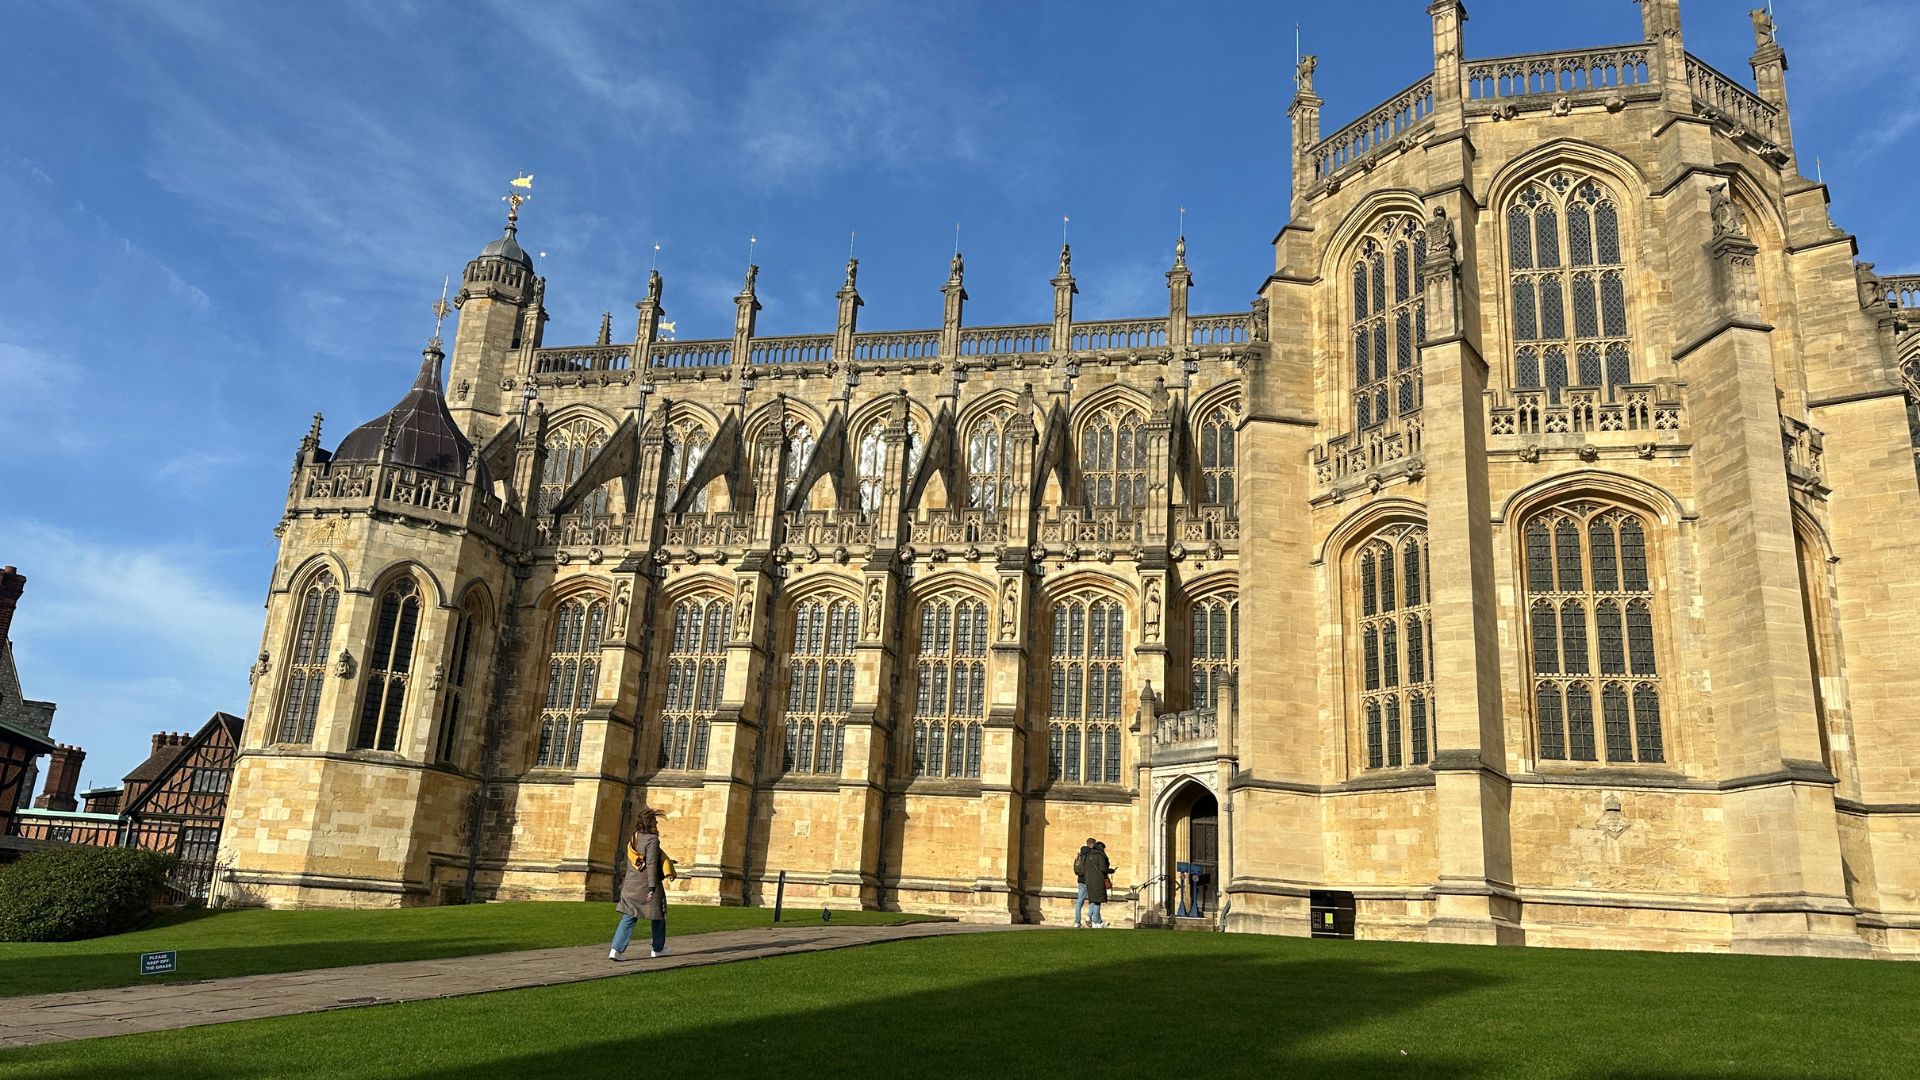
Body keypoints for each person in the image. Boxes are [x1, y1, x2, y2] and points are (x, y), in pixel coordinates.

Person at [610, 807, 670, 960]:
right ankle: (658, 948)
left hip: (630, 884)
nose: (656, 823)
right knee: (658, 915)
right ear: (649, 823)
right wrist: (652, 887)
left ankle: (616, 949)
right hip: (646, 885)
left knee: (629, 916)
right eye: (655, 821)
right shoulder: (652, 839)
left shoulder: (634, 837)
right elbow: (650, 863)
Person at [1081, 840, 1114, 929]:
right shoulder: (1100, 856)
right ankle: (1096, 921)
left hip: (1088, 881)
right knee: (1097, 901)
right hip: (1098, 881)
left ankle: (1093, 918)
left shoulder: (1087, 855)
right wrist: (1110, 870)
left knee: (1094, 900)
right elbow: (1103, 868)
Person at [1071, 837, 1096, 928]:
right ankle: (1088, 916)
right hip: (1089, 880)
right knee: (1094, 900)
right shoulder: (1091, 854)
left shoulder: (1080, 853)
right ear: (1093, 844)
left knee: (1079, 901)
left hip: (1080, 880)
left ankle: (1077, 922)